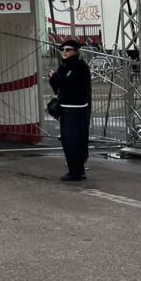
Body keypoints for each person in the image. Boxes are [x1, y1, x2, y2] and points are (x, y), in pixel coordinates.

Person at [48, 39, 92, 182]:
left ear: (75, 51)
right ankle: (74, 169)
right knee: (67, 140)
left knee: (75, 140)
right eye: (63, 50)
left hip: (76, 109)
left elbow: (70, 85)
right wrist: (53, 79)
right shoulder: (64, 66)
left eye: (68, 50)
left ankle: (76, 171)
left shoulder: (80, 66)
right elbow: (58, 87)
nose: (65, 52)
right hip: (66, 108)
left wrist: (55, 78)